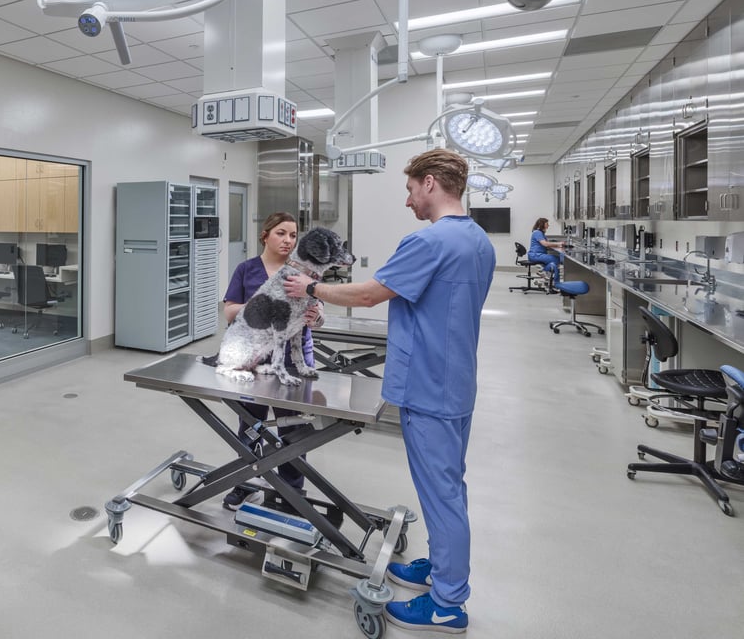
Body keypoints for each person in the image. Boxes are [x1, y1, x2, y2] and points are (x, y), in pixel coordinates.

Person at [283, 149, 494, 634]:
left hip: (428, 384)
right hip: (456, 379)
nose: (407, 201)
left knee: (441, 494)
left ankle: (447, 603)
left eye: (409, 189)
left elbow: (368, 294)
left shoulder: (430, 241)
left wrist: (309, 289)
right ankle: (442, 570)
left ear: (431, 183)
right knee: (448, 485)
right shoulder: (478, 241)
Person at [220, 211, 325, 511]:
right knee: (250, 425)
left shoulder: (304, 274)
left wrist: (316, 316)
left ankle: (290, 491)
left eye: (293, 235)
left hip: (292, 364)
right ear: (265, 235)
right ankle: (243, 482)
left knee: (292, 429)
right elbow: (229, 313)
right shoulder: (246, 270)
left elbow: (317, 318)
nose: (288, 240)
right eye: (281, 233)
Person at [528, 217, 565, 289]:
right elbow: (545, 244)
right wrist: (558, 244)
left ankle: (549, 278)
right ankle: (545, 272)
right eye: (547, 224)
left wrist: (554, 245)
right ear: (542, 224)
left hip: (538, 254)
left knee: (553, 264)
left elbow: (545, 245)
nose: (548, 225)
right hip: (536, 255)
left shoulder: (540, 233)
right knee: (557, 260)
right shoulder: (537, 233)